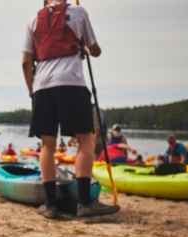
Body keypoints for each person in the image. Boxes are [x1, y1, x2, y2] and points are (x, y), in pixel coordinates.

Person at [22, 0, 120, 219]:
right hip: (72, 83)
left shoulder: (32, 20)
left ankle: (51, 205)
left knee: (47, 144)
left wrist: (32, 91)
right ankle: (84, 203)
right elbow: (96, 51)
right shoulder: (78, 12)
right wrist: (83, 44)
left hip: (42, 87)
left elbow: (25, 62)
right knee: (86, 140)